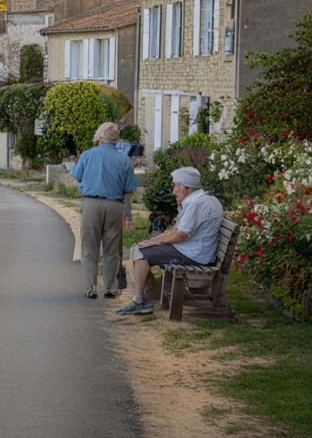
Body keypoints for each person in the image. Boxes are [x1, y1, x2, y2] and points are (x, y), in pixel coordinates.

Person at [117, 166, 223, 315]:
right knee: (141, 247)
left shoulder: (196, 204)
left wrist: (157, 243)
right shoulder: (204, 199)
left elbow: (181, 235)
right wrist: (154, 240)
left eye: (175, 186)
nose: (173, 191)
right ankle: (148, 293)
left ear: (184, 187)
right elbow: (176, 231)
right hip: (196, 250)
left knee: (139, 252)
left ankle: (140, 300)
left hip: (194, 254)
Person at [70, 122, 138, 299]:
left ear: (99, 136)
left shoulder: (87, 155)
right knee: (112, 248)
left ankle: (91, 287)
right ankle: (110, 287)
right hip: (115, 206)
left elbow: (77, 176)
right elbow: (128, 191)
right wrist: (128, 216)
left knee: (90, 246)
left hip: (91, 204)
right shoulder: (124, 159)